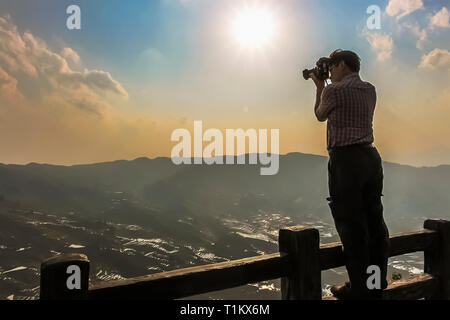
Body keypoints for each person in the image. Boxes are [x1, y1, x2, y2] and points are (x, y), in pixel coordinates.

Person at [309, 49, 390, 300]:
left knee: (351, 224)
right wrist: (328, 80)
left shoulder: (333, 90)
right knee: (375, 222)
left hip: (345, 161)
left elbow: (320, 115)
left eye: (332, 67)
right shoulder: (370, 90)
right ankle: (376, 282)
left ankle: (358, 288)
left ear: (343, 64)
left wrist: (320, 86)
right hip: (370, 157)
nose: (331, 73)